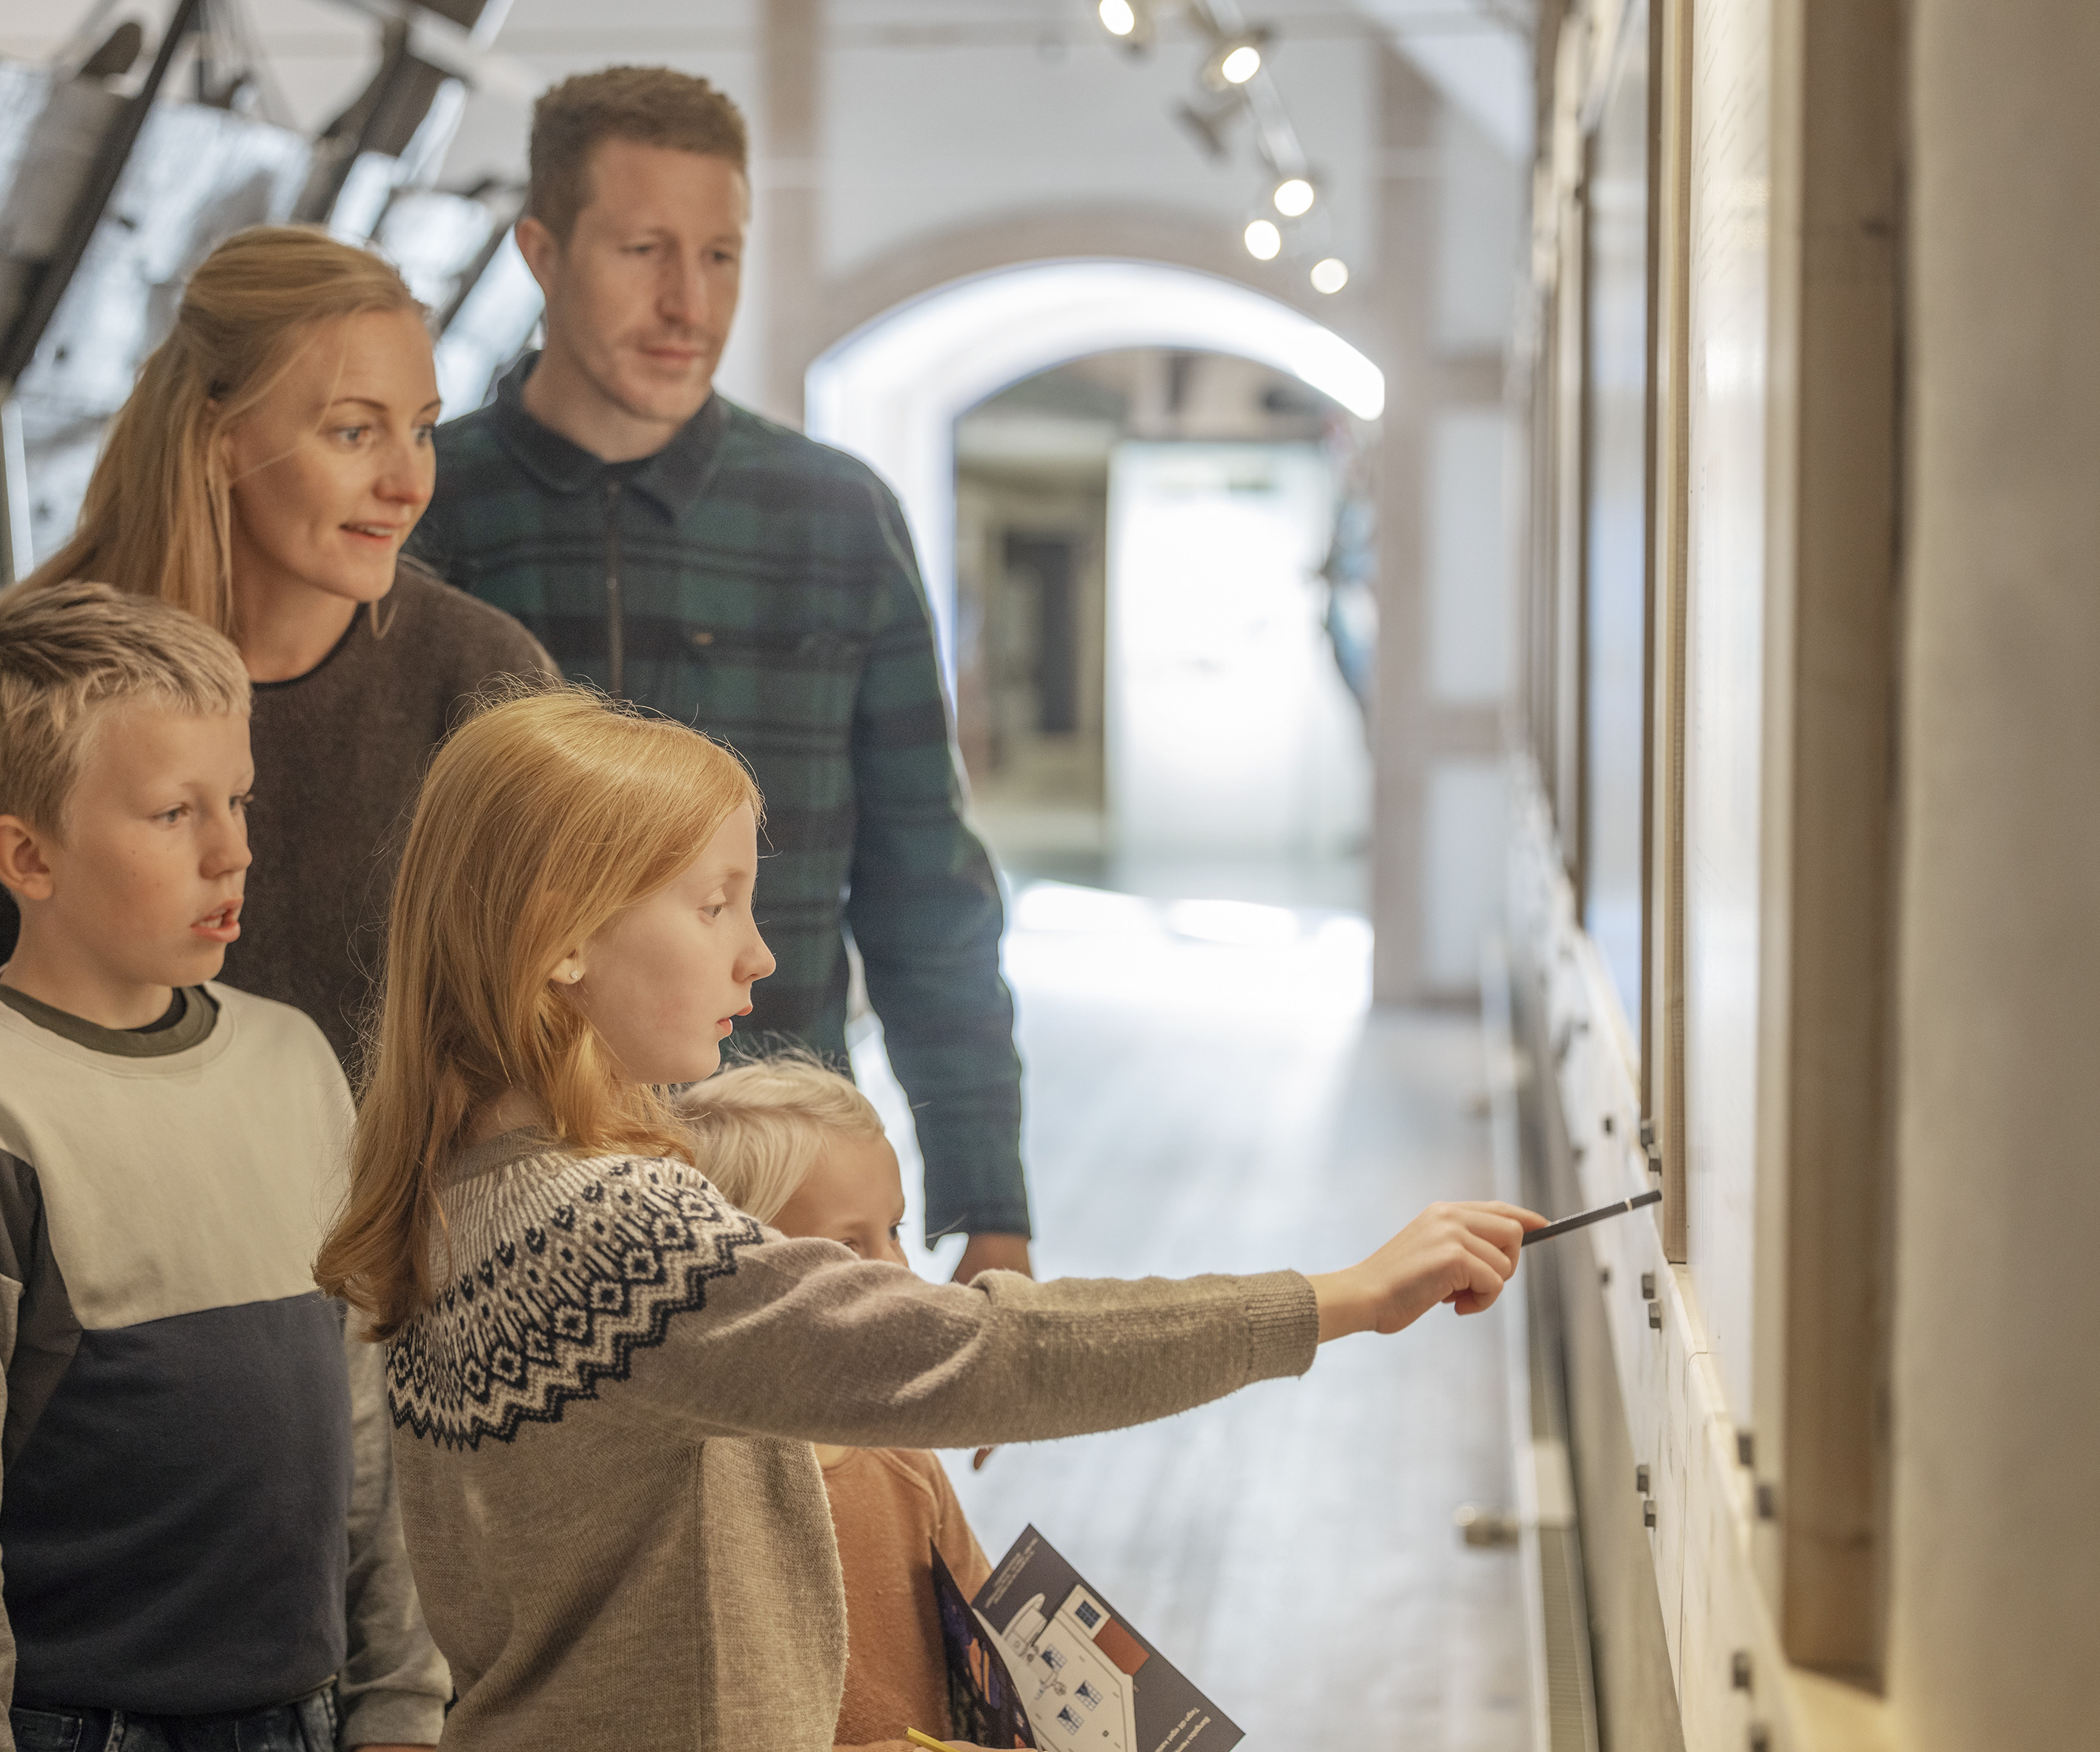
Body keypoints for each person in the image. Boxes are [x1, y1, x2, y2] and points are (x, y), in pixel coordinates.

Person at [315, 686, 1543, 1751]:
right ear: (561, 930)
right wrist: (1336, 1297)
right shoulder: (609, 1231)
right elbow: (983, 1353)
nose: (755, 955)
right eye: (712, 903)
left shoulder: (455, 1198)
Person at [407, 68, 1034, 1282]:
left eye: (719, 256)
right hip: (502, 1189)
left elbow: (924, 883)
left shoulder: (836, 515)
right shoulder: (425, 509)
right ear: (540, 251)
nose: (684, 302)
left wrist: (986, 1194)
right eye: (642, 248)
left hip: (788, 1186)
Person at [0, 583, 446, 1752]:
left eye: (237, 798)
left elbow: (366, 1410)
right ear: (27, 854)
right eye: (174, 812)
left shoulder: (296, 1060)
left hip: (320, 1713)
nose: (235, 847)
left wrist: (399, 1701)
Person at [0, 226, 552, 1062]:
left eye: (421, 429)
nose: (407, 481)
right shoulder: (50, 678)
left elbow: (560, 1015)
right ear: (220, 433)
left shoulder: (486, 675)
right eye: (354, 432)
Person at [675, 1054, 995, 1752]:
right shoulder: (694, 1499)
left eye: (896, 1230)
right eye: (850, 1243)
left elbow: (996, 1641)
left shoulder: (903, 1460)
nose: (895, 1268)